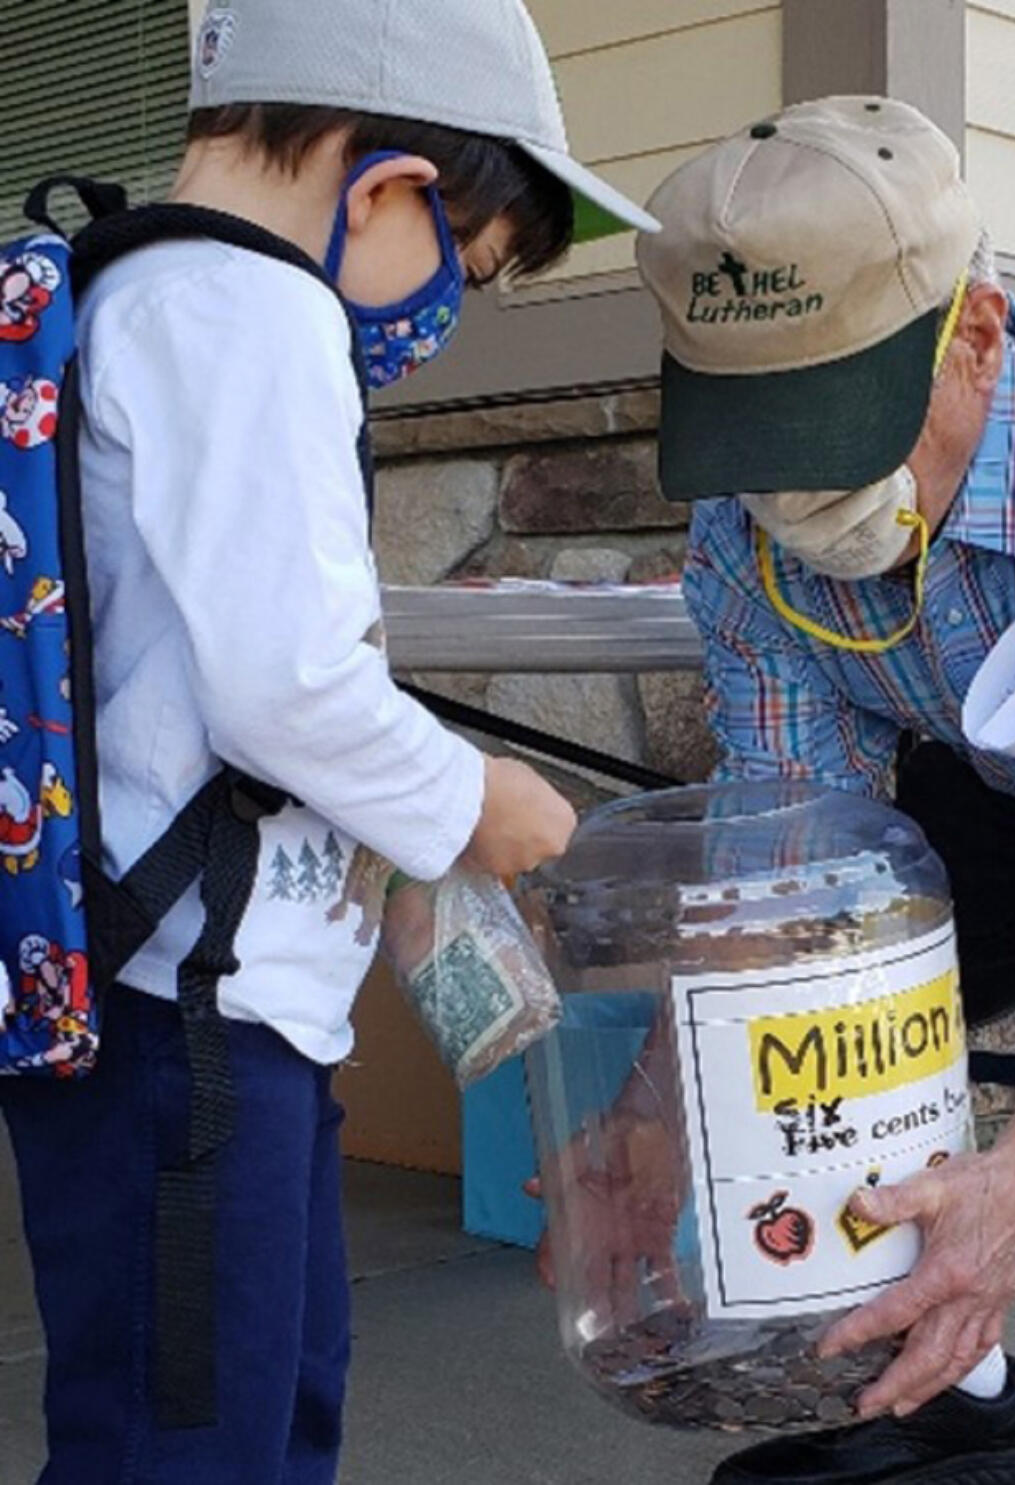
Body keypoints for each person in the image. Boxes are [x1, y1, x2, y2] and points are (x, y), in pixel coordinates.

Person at [0, 2, 658, 1480]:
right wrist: (475, 796)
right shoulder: (250, 309)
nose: (442, 319)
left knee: (249, 1398)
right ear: (386, 190)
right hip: (187, 1014)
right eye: (467, 269)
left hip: (180, 991)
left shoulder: (133, 290)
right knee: (198, 1440)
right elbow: (282, 689)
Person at [635, 95, 1015, 1484]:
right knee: (816, 1039)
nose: (787, 488)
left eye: (828, 416)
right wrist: (657, 1111)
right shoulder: (742, 537)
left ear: (970, 331)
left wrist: (1011, 1183)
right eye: (751, 425)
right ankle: (947, 1390)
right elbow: (797, 873)